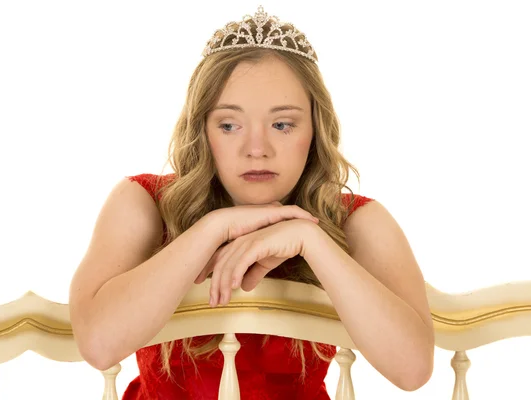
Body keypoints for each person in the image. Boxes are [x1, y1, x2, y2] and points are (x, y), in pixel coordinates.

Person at [68, 5, 435, 399]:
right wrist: (214, 228)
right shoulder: (144, 204)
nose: (256, 149)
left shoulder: (355, 221)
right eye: (229, 125)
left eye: (282, 124)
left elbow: (412, 370)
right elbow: (99, 345)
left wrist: (310, 240)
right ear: (202, 130)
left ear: (314, 129)